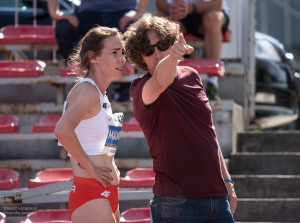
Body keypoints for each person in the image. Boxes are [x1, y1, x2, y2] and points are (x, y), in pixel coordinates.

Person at [124, 16, 237, 222]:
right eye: (149, 51)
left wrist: (227, 182)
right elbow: (161, 81)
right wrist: (173, 56)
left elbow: (209, 132)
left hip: (217, 197)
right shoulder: (140, 87)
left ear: (171, 42)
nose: (157, 54)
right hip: (175, 203)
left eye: (163, 45)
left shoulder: (192, 75)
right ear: (141, 58)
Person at [54, 26, 125, 223]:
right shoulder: (88, 91)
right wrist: (92, 168)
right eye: (114, 53)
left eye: (122, 52)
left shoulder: (100, 94)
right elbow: (62, 130)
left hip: (107, 190)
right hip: (91, 191)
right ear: (93, 57)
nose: (122, 59)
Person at [155, 0, 230, 100]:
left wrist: (191, 8)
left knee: (213, 16)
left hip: (206, 15)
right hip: (179, 17)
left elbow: (217, 4)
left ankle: (212, 83)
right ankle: (162, 81)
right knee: (157, 18)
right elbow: (160, 4)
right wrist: (172, 9)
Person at [47, 0, 150, 60]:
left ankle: (124, 86)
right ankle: (75, 71)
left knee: (135, 28)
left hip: (123, 13)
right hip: (88, 14)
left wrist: (138, 13)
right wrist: (54, 13)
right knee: (64, 27)